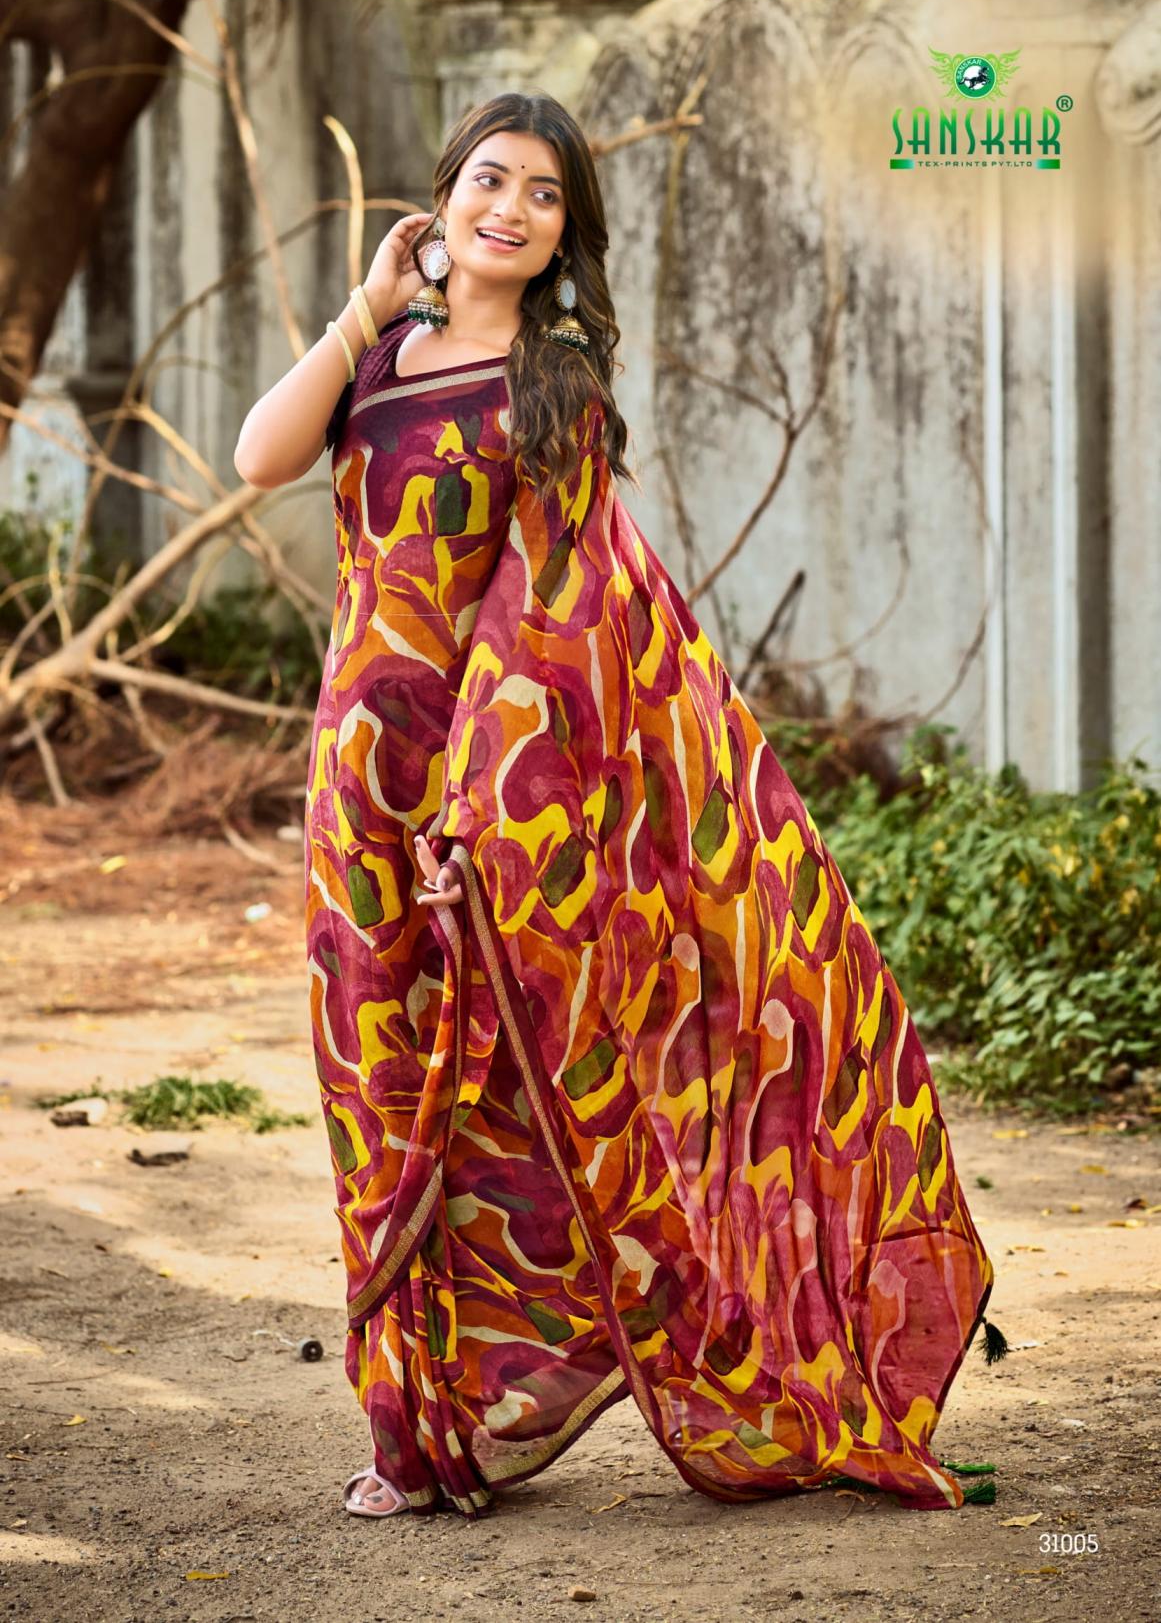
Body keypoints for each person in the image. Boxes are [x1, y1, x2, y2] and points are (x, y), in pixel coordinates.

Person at [234, 89, 1003, 1522]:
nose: (510, 209)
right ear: (442, 199)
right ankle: (417, 1428)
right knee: (376, 1095)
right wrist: (364, 308)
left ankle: (496, 1407)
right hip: (354, 782)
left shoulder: (555, 390)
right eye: (488, 178)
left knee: (505, 1088)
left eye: (543, 195)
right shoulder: (382, 356)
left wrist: (473, 818)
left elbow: (548, 623)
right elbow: (259, 458)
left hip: (475, 804)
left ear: (565, 236)